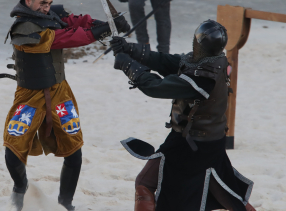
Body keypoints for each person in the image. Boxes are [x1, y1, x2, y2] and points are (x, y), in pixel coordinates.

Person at [0, 0, 130, 211]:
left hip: (60, 92)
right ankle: (21, 188)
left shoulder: (51, 15)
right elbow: (63, 38)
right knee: (14, 145)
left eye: (49, 3)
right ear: (28, 0)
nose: (46, 7)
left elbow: (76, 21)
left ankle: (65, 203)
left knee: (74, 146)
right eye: (41, 3)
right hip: (30, 96)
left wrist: (109, 22)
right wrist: (104, 30)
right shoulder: (22, 28)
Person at [110, 20, 256, 211]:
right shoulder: (212, 60)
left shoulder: (203, 78)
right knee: (226, 194)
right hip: (190, 140)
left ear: (199, 42)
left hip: (197, 148)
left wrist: (131, 67)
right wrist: (131, 50)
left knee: (225, 195)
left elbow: (157, 87)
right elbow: (168, 61)